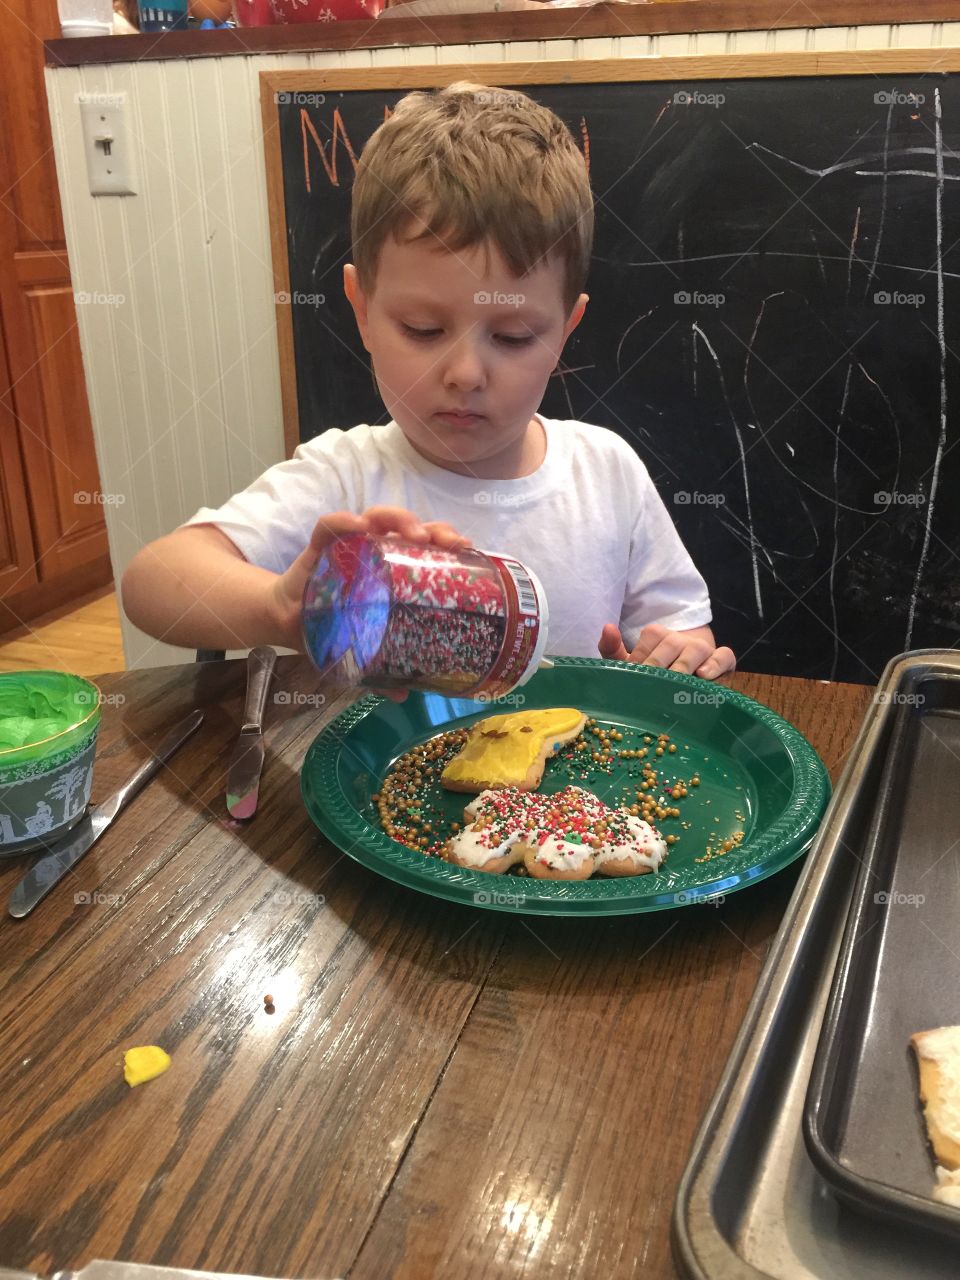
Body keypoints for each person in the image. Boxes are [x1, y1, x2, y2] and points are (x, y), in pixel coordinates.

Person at [122, 81, 735, 681]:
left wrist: (676, 658)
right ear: (361, 310)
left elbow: (682, 629)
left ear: (566, 330)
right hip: (373, 778)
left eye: (515, 336)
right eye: (422, 329)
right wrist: (282, 610)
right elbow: (154, 580)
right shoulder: (346, 479)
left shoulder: (606, 471)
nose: (465, 374)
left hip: (571, 773)